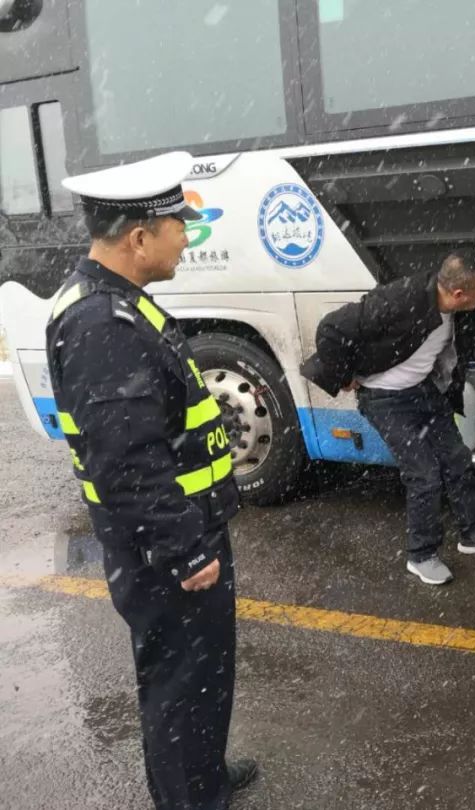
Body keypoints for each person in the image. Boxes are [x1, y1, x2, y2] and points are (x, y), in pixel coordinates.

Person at [46, 151, 257, 809]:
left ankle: (204, 778)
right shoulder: (101, 325)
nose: (186, 239)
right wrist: (185, 547)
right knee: (181, 682)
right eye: (177, 227)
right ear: (139, 238)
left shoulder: (116, 305)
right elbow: (127, 461)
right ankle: (190, 799)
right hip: (165, 549)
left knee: (200, 676)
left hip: (175, 536)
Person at [302, 251, 475, 585]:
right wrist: (343, 375)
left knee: (457, 459)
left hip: (423, 390)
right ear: (460, 294)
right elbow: (330, 329)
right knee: (424, 474)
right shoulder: (402, 299)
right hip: (384, 398)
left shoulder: (458, 311)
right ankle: (421, 555)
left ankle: (473, 535)